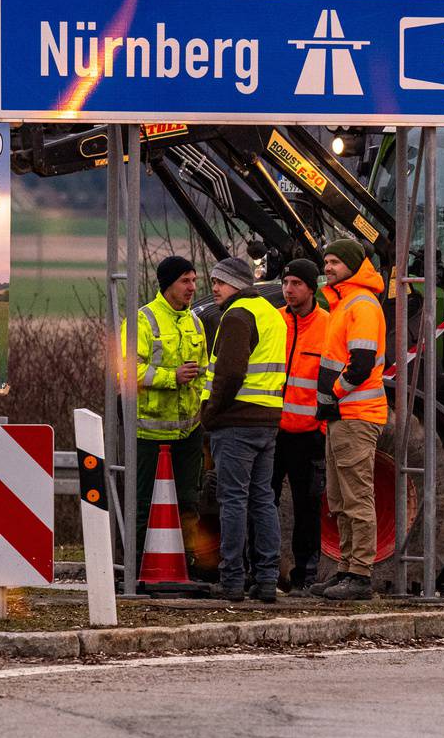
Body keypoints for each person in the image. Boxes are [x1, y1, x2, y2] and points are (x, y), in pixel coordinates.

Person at [201, 256, 287, 602]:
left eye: (220, 282)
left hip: (236, 422)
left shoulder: (237, 316)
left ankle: (232, 579)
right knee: (263, 499)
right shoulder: (272, 315)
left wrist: (211, 412)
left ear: (237, 284)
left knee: (233, 499)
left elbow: (230, 373)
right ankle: (266, 579)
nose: (214, 289)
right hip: (267, 421)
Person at [125, 256, 208, 584]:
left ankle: (187, 567)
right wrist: (171, 376)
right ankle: (135, 571)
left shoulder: (195, 322)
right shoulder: (142, 320)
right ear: (168, 284)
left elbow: (204, 371)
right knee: (144, 504)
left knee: (189, 500)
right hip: (149, 430)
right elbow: (128, 370)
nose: (192, 288)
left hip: (189, 429)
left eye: (193, 280)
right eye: (185, 281)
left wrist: (200, 405)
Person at [314, 237, 387, 601]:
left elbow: (360, 365)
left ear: (353, 266)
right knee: (340, 498)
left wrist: (333, 394)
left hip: (355, 415)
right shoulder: (343, 303)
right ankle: (346, 568)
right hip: (342, 417)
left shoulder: (361, 305)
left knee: (356, 497)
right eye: (326, 262)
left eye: (335, 263)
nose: (328, 268)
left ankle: (359, 574)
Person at [272, 259, 331, 590]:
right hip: (274, 431)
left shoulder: (327, 325)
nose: (288, 289)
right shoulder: (275, 322)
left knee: (308, 507)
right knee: (264, 500)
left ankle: (305, 576)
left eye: (296, 283)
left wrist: (321, 428)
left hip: (309, 435)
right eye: (285, 282)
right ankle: (264, 569)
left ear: (311, 288)